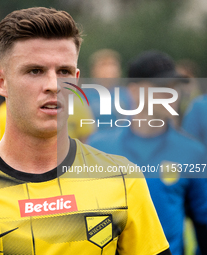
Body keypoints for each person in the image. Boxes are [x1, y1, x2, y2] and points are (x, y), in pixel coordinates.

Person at [0, 7, 170, 255]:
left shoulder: (124, 181)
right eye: (35, 71)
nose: (53, 85)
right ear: (1, 81)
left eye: (64, 71)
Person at [87, 50, 207, 255]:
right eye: (161, 87)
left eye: (175, 86)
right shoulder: (99, 149)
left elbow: (203, 227)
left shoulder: (193, 153)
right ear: (134, 90)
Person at [83, 49, 132, 131]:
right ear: (93, 70)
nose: (109, 69)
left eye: (112, 64)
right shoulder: (84, 97)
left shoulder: (128, 96)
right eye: (103, 65)